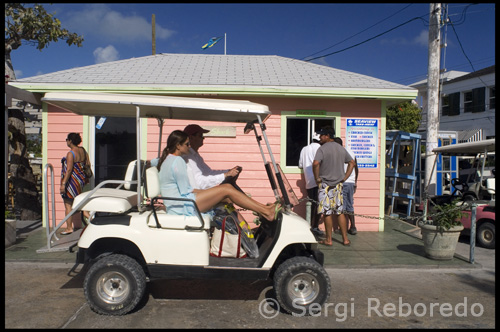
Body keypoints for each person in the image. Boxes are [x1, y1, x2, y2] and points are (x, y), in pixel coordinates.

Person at [156, 130, 281, 221]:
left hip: (181, 203)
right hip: (184, 206)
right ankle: (266, 212)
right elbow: (186, 191)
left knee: (227, 196)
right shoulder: (178, 161)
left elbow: (188, 188)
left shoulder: (167, 160)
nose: (189, 147)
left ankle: (263, 209)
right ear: (178, 146)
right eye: (187, 144)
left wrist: (215, 192)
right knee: (226, 189)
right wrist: (215, 191)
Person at [313, 127, 355, 247]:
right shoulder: (340, 148)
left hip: (325, 184)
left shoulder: (322, 149)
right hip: (338, 184)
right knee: (340, 212)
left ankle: (329, 240)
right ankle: (345, 239)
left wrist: (317, 178)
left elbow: (316, 163)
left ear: (327, 135)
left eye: (321, 135)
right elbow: (352, 162)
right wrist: (345, 177)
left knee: (327, 213)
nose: (320, 138)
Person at [183, 124, 242, 191]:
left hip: (200, 192)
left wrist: (228, 171)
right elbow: (200, 183)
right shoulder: (188, 158)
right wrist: (225, 175)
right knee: (228, 190)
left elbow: (208, 173)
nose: (203, 138)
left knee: (231, 190)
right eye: (200, 136)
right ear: (191, 138)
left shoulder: (196, 156)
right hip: (195, 194)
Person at [59, 133, 87, 235]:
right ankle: (91, 218)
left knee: (68, 205)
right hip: (80, 181)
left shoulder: (71, 154)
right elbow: (87, 164)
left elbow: (69, 169)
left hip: (71, 182)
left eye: (67, 139)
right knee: (80, 203)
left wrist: (63, 184)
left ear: (70, 141)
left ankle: (69, 228)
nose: (66, 141)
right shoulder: (83, 150)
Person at [298, 131, 322, 236]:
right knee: (318, 204)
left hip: (308, 181)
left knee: (311, 204)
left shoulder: (304, 149)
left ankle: (309, 225)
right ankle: (315, 226)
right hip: (319, 180)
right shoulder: (320, 149)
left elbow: (300, 165)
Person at [333, 137, 359, 235]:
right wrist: (355, 182)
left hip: (342, 182)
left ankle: (343, 228)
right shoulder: (351, 152)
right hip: (351, 182)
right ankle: (352, 226)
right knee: (349, 204)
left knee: (342, 206)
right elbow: (356, 168)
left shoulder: (338, 153)